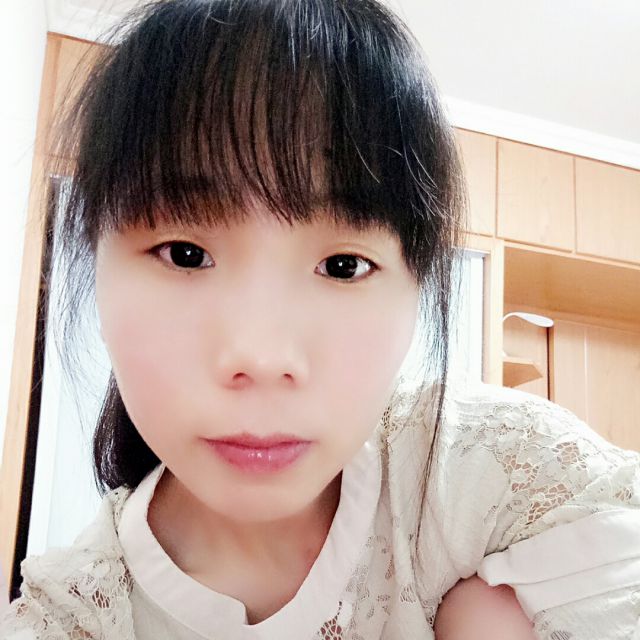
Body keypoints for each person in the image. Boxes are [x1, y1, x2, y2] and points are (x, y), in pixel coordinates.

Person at [2, 0, 639, 638]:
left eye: (342, 265)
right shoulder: (68, 619)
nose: (262, 356)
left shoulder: (488, 474)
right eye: (186, 254)